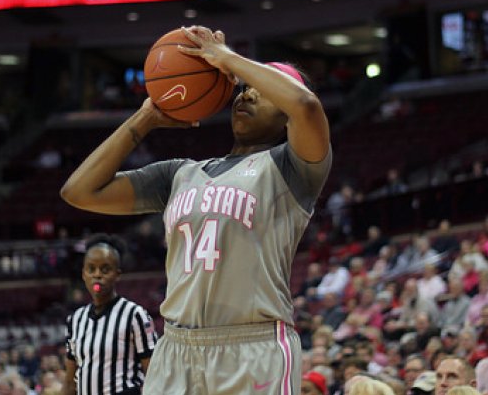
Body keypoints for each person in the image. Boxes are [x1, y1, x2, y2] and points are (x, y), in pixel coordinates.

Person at [60, 25, 332, 395]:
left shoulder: (293, 170)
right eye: (243, 90)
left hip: (252, 346)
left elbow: (306, 106)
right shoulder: (180, 173)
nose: (247, 95)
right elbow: (79, 191)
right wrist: (145, 119)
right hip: (175, 347)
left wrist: (226, 57)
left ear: (285, 115)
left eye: (263, 91)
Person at [64, 235, 158, 395]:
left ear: (117, 274)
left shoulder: (135, 315)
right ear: (83, 274)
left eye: (105, 269)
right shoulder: (75, 320)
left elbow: (155, 374)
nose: (97, 275)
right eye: (91, 269)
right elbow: (69, 382)